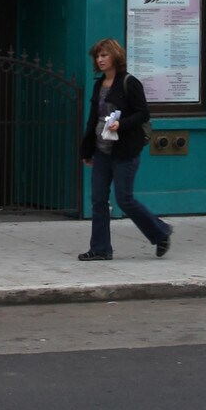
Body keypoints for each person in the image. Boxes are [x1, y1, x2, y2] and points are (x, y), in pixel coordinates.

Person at [78, 38, 172, 262]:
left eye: (104, 55)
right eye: (97, 56)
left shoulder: (130, 82)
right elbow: (93, 119)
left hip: (124, 151)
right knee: (98, 199)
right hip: (102, 149)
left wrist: (122, 124)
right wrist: (87, 150)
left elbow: (143, 114)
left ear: (115, 57)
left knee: (124, 199)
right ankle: (100, 248)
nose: (100, 60)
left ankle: (160, 232)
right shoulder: (98, 85)